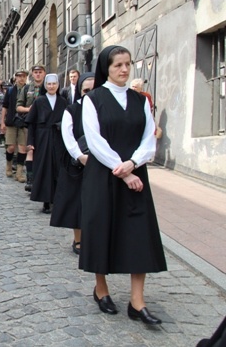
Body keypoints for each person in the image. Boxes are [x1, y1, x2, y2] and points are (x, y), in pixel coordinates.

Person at [80, 45, 166, 325]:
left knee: (138, 234)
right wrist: (123, 169)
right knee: (101, 230)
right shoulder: (94, 99)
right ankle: (101, 289)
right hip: (104, 175)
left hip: (135, 174)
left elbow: (148, 138)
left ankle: (137, 302)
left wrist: (134, 164)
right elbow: (95, 141)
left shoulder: (140, 100)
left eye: (128, 64)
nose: (125, 69)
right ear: (107, 67)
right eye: (118, 65)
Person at [51, 72, 95, 255]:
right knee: (78, 203)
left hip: (102, 163)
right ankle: (78, 239)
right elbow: (67, 137)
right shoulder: (72, 109)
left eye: (94, 90)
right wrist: (80, 156)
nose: (90, 94)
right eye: (86, 90)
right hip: (77, 163)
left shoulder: (103, 108)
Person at [26, 73, 68, 214]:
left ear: (58, 85)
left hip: (58, 138)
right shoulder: (39, 101)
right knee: (44, 168)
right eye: (49, 84)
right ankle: (45, 200)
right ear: (45, 86)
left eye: (54, 84)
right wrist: (30, 142)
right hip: (42, 137)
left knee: (58, 168)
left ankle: (57, 199)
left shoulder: (63, 102)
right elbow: (31, 123)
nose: (51, 86)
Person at [16, 64, 47, 191]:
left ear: (44, 73)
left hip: (45, 123)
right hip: (30, 123)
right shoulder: (27, 88)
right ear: (32, 74)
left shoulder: (50, 86)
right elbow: (18, 107)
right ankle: (30, 179)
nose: (38, 74)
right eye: (36, 72)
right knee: (30, 149)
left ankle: (43, 178)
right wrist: (29, 109)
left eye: (40, 72)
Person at [1, 70, 29, 181]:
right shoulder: (10, 91)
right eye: (19, 76)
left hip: (23, 123)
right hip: (11, 121)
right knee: (11, 147)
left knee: (22, 147)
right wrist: (2, 122)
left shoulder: (29, 90)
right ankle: (9, 165)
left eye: (23, 76)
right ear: (15, 78)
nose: (21, 78)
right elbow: (5, 106)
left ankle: (19, 173)